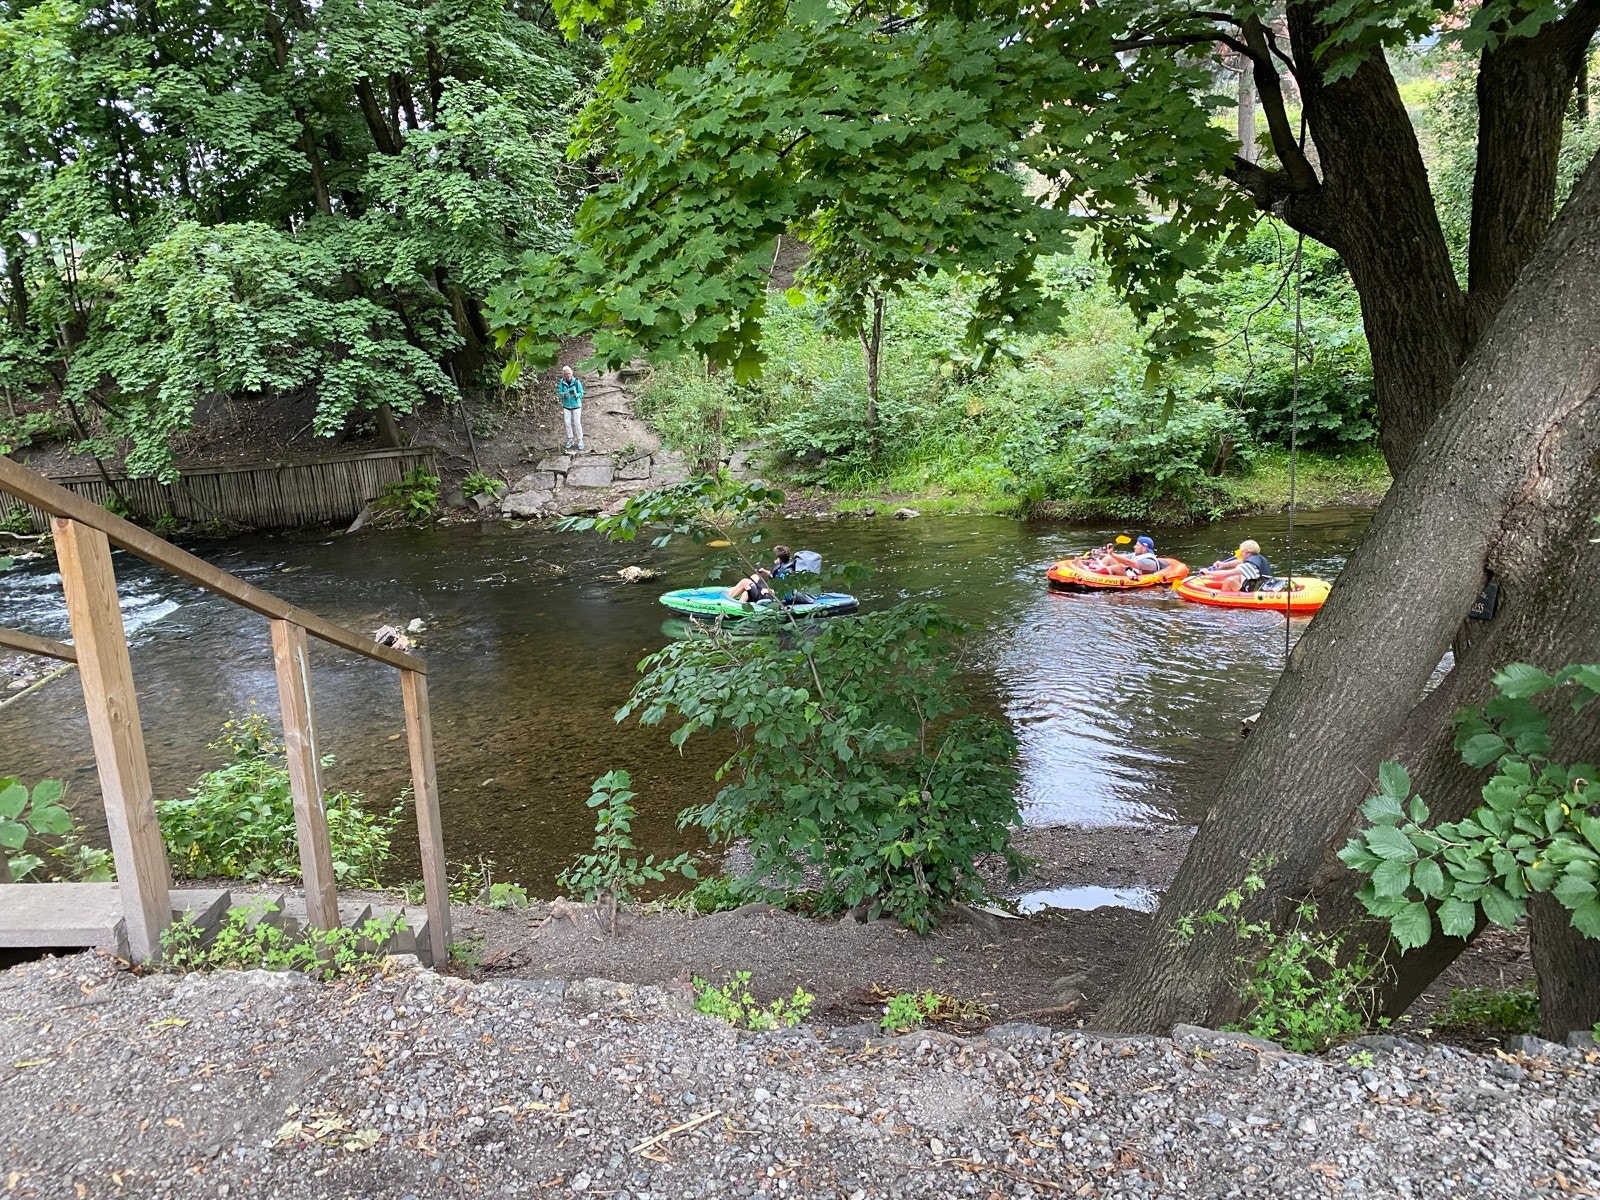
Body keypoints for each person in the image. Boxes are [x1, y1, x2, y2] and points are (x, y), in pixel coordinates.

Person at [725, 547, 794, 602]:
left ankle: (727, 599)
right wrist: (764, 571)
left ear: (778, 558)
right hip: (771, 593)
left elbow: (787, 592)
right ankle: (740, 597)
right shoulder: (785, 565)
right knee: (754, 577)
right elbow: (775, 576)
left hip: (771, 596)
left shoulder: (786, 573)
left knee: (745, 582)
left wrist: (769, 591)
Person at [1202, 539, 1272, 592]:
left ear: (1248, 553)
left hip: (1256, 592)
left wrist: (1208, 572)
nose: (1241, 553)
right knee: (1238, 569)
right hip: (1261, 585)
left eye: (1242, 551)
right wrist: (1224, 564)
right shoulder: (1258, 558)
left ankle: (1223, 602)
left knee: (1229, 580)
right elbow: (1241, 561)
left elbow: (1225, 574)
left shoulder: (1249, 565)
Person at [1090, 535, 1162, 578]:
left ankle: (1093, 575)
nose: (1134, 547)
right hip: (1130, 573)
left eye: (1137, 545)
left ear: (1144, 548)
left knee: (1118, 568)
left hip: (1135, 579)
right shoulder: (1136, 554)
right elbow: (1121, 557)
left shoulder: (1149, 562)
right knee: (1109, 558)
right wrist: (1100, 554)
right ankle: (1094, 570)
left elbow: (1130, 563)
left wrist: (1112, 554)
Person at [557, 366, 585, 451]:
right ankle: (570, 439)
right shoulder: (562, 382)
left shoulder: (576, 381)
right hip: (566, 406)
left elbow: (581, 393)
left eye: (569, 373)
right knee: (567, 423)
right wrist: (563, 394)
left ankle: (580, 440)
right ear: (564, 375)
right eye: (565, 374)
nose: (567, 375)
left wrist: (577, 395)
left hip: (576, 405)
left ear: (571, 373)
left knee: (577, 423)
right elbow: (559, 392)